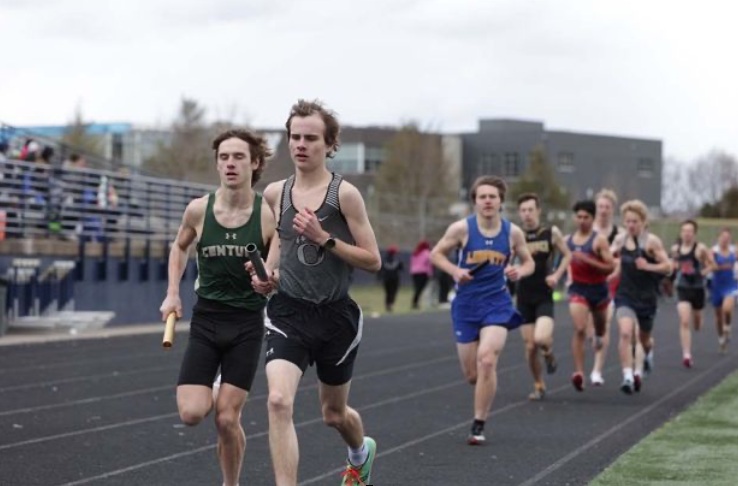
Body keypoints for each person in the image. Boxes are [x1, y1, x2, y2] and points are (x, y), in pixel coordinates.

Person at [251, 99, 381, 486]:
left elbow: (373, 260)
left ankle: (360, 453)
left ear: (329, 144)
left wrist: (324, 239)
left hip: (335, 316)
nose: (301, 145)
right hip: (287, 313)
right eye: (295, 137)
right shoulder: (275, 192)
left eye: (310, 138)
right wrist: (268, 274)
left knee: (333, 414)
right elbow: (280, 240)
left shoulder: (345, 195)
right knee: (278, 401)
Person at [158, 128, 275, 486]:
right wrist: (172, 293)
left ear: (255, 163)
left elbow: (278, 268)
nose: (230, 164)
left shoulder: (267, 215)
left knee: (226, 418)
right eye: (224, 157)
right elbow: (179, 247)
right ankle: (214, 387)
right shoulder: (198, 209)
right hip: (207, 320)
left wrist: (269, 279)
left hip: (246, 324)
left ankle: (230, 483)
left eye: (238, 157)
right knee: (192, 413)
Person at [431, 175, 534, 445]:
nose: (488, 201)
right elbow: (435, 255)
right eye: (482, 197)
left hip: (497, 303)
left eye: (492, 197)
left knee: (487, 359)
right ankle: (483, 387)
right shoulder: (461, 229)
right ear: (475, 201)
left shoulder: (512, 233)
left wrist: (519, 271)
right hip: (466, 305)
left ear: (501, 201)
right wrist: (455, 271)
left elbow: (529, 262)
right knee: (472, 375)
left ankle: (479, 423)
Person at [516, 193, 572, 400]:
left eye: (531, 210)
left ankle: (548, 354)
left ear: (538, 211)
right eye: (523, 210)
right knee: (530, 347)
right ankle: (539, 384)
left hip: (544, 294)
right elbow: (507, 260)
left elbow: (567, 255)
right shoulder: (515, 234)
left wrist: (556, 275)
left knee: (540, 339)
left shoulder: (551, 233)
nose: (527, 214)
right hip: (524, 296)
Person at [611, 200, 671, 394]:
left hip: (647, 298)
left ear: (643, 222)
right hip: (625, 295)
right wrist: (609, 260)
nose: (631, 225)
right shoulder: (620, 240)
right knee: (626, 333)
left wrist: (649, 266)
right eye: (628, 221)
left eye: (635, 221)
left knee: (644, 339)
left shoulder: (651, 242)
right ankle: (628, 376)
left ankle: (648, 353)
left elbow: (668, 267)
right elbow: (610, 258)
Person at [567, 200, 616, 391]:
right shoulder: (568, 240)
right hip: (578, 289)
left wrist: (588, 260)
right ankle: (579, 373)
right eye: (579, 217)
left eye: (586, 217)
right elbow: (561, 260)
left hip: (598, 290)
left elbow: (610, 267)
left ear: (592, 218)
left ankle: (598, 335)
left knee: (600, 331)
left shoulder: (599, 240)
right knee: (579, 328)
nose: (582, 220)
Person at [589, 189, 622, 386]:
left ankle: (597, 371)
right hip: (587, 285)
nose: (603, 210)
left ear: (612, 209)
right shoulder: (587, 231)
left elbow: (624, 260)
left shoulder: (620, 234)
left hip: (610, 285)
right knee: (588, 330)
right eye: (600, 206)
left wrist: (615, 271)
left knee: (605, 323)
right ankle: (594, 334)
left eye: (607, 207)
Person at [672, 220, 714, 367]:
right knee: (684, 320)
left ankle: (698, 320)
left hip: (698, 289)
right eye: (684, 231)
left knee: (697, 324)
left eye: (690, 231)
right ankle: (687, 355)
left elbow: (712, 265)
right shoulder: (676, 248)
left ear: (694, 233)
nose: (687, 234)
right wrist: (675, 267)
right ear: (681, 233)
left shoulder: (700, 248)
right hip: (682, 287)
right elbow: (675, 265)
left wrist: (702, 272)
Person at [710, 228, 738, 353]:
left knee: (727, 309)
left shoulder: (734, 251)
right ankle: (721, 338)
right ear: (719, 238)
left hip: (731, 285)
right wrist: (712, 266)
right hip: (717, 286)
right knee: (718, 316)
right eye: (723, 237)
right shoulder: (713, 251)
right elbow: (709, 265)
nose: (725, 240)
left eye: (728, 238)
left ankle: (728, 326)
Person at [410, 240, 432, 308]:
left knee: (417, 288)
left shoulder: (415, 253)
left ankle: (415, 302)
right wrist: (430, 273)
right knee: (420, 288)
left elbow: (412, 262)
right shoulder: (426, 253)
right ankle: (415, 302)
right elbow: (429, 263)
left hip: (414, 272)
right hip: (423, 273)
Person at [381, 245, 403, 312]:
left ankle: (387, 304)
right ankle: (390, 304)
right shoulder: (397, 260)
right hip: (395, 279)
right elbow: (401, 268)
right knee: (393, 292)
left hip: (386, 278)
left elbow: (380, 269)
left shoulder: (384, 260)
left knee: (388, 292)